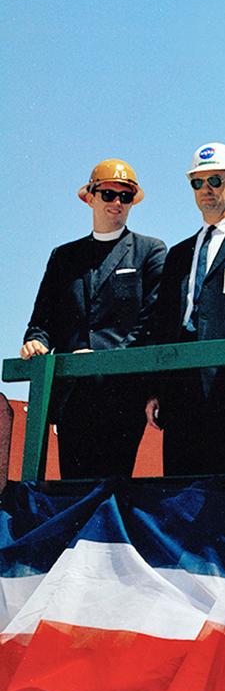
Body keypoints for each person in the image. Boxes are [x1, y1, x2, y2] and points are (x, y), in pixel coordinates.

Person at [21, 159, 166, 477]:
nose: (116, 203)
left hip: (122, 397)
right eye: (108, 194)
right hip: (71, 397)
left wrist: (101, 359)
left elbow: (151, 324)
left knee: (112, 493)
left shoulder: (150, 253)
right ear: (90, 197)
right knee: (72, 491)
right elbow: (42, 322)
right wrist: (35, 341)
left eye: (125, 197)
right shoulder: (64, 258)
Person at [145, 143, 225, 476]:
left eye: (215, 180)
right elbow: (163, 323)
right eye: (197, 183)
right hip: (179, 389)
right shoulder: (178, 254)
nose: (206, 190)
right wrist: (156, 388)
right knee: (177, 487)